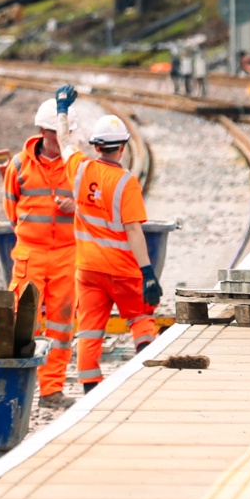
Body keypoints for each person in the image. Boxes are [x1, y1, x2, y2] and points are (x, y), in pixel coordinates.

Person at [66, 114, 160, 393]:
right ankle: (146, 368)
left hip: (88, 270)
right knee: (141, 316)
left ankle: (90, 387)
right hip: (122, 270)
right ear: (122, 148)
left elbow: (63, 144)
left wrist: (62, 112)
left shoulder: (80, 169)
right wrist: (148, 273)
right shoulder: (126, 182)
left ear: (96, 147)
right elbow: (133, 231)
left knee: (90, 329)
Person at [2, 99, 79, 405]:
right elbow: (11, 211)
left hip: (66, 254)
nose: (59, 141)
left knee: (61, 324)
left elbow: (93, 207)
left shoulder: (77, 166)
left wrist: (76, 208)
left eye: (65, 135)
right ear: (42, 131)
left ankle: (51, 390)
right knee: (21, 323)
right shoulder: (19, 165)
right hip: (30, 255)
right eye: (54, 134)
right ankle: (13, 390)